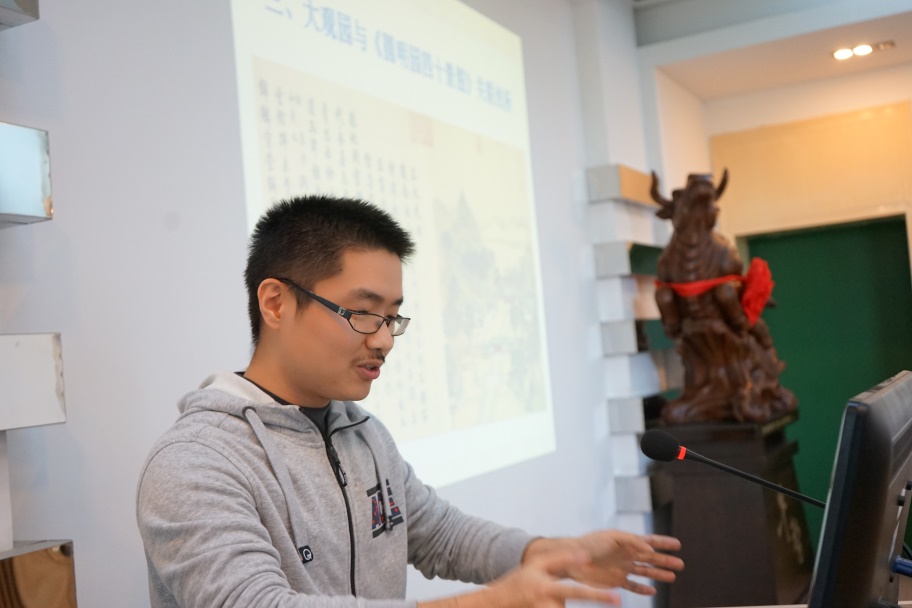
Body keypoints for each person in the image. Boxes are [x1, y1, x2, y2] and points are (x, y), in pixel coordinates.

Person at [136, 195, 683, 607]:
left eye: (393, 316)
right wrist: (489, 603)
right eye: (363, 313)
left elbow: (438, 533)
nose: (384, 339)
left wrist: (549, 553)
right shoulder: (197, 461)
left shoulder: (362, 433)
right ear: (276, 303)